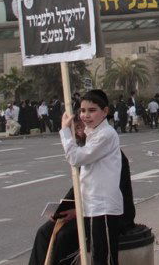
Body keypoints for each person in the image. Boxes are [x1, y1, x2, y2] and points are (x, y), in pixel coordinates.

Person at [60, 89, 123, 264]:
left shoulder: (106, 134)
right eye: (82, 111)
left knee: (105, 258)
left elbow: (76, 158)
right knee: (97, 255)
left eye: (92, 110)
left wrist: (65, 132)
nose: (86, 115)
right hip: (93, 205)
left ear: (105, 111)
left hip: (103, 206)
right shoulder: (93, 132)